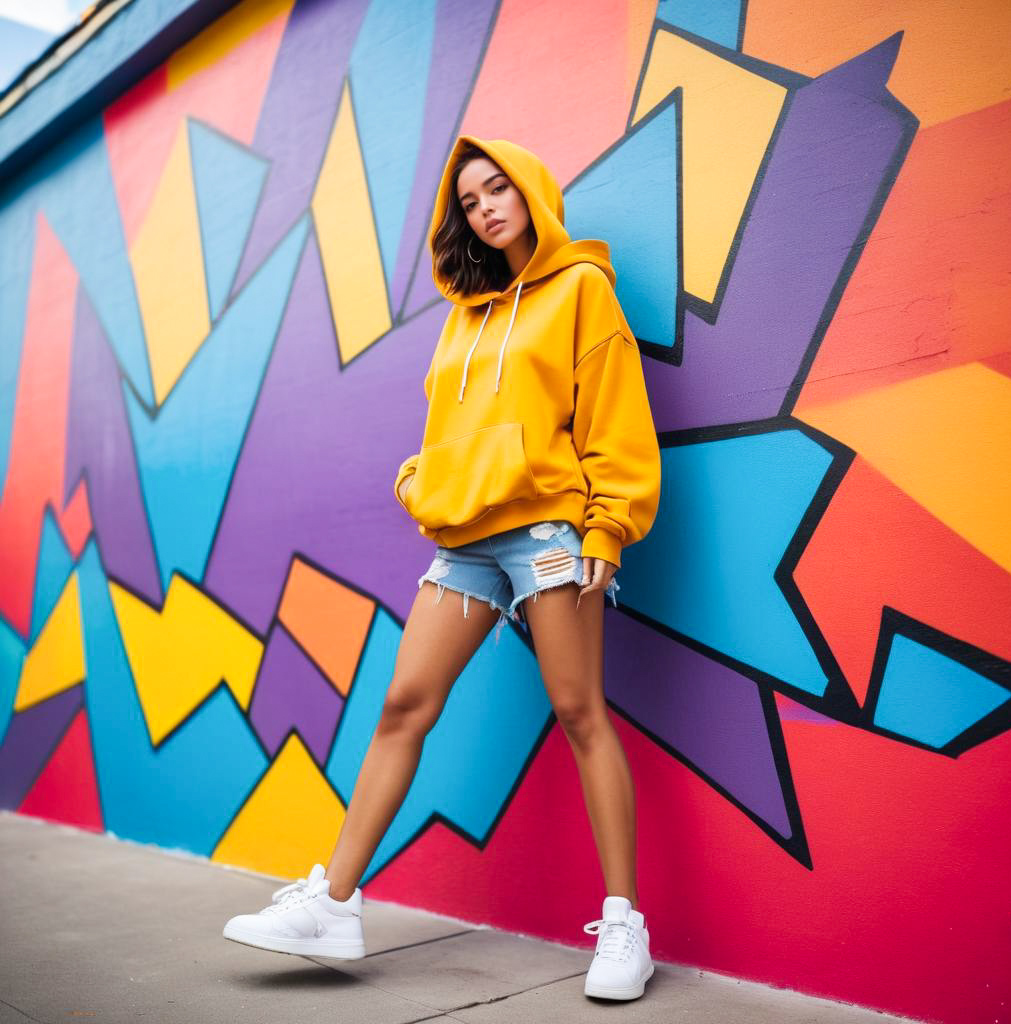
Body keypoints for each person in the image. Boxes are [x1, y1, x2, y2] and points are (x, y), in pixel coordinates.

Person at [223, 134, 662, 1002]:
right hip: (464, 542)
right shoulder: (467, 315)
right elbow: (442, 432)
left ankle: (625, 927)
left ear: (531, 190)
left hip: (546, 532)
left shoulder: (581, 293)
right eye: (470, 201)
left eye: (500, 188)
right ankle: (336, 906)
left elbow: (617, 420)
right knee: (401, 706)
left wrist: (606, 533)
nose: (488, 207)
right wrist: (421, 482)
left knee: (580, 713)